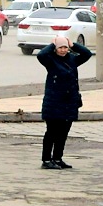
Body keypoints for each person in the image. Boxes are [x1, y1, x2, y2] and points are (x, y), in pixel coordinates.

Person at [37, 36, 92, 169]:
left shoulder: (73, 59)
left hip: (70, 102)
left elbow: (87, 54)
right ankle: (46, 159)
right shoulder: (50, 60)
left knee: (63, 133)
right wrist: (52, 44)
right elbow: (41, 55)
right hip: (54, 102)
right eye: (60, 48)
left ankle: (57, 158)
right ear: (55, 49)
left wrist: (73, 45)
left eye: (65, 48)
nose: (63, 50)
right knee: (51, 132)